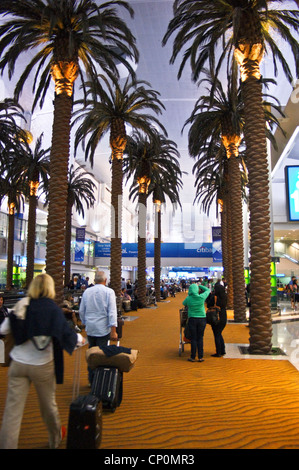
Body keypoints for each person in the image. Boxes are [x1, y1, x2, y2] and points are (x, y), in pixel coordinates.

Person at [0, 273, 85, 449]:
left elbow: (4, 328)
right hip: (42, 366)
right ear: (50, 288)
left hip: (18, 364)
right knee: (48, 406)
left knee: (12, 412)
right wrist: (80, 340)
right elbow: (66, 334)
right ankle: (55, 439)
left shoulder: (22, 304)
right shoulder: (52, 309)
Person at [79, 270, 118, 384]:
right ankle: (100, 382)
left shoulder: (87, 291)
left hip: (90, 329)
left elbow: (82, 310)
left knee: (91, 354)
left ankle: (91, 379)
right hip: (103, 329)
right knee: (102, 355)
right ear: (105, 280)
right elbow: (112, 312)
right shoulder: (109, 292)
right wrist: (114, 331)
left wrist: (85, 322)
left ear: (94, 280)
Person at [182, 283, 210, 362]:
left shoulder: (189, 298)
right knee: (200, 338)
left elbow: (183, 303)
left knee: (193, 338)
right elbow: (208, 290)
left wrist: (189, 295)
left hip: (192, 319)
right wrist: (200, 286)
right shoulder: (201, 297)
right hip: (202, 319)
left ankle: (193, 357)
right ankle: (200, 357)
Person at [211, 279, 227, 357]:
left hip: (216, 316)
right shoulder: (224, 297)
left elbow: (209, 305)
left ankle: (219, 352)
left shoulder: (215, 297)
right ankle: (222, 350)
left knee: (216, 334)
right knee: (219, 333)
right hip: (223, 315)